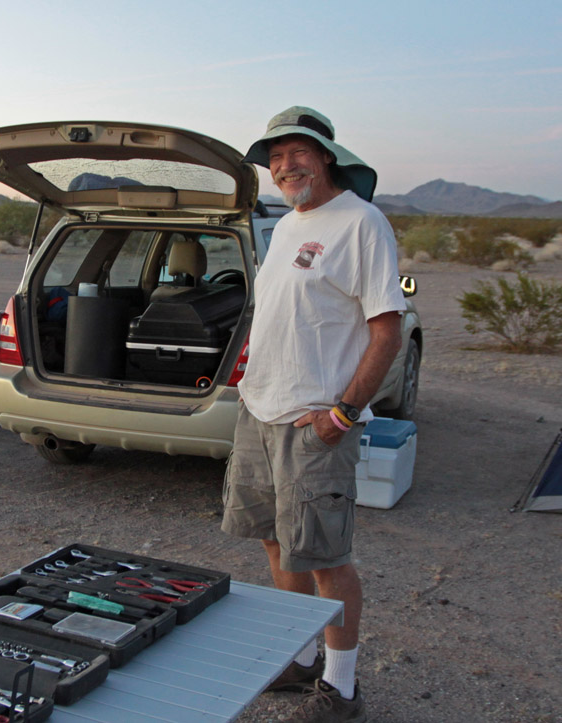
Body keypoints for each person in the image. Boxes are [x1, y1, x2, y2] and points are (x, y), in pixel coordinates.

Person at [221, 106, 406, 722]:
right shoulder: (286, 228)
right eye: (274, 158)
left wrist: (344, 414)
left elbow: (387, 332)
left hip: (313, 423)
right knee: (277, 542)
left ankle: (342, 687)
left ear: (327, 155)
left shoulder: (361, 223)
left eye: (297, 152)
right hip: (261, 411)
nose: (284, 165)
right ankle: (301, 658)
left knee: (327, 558)